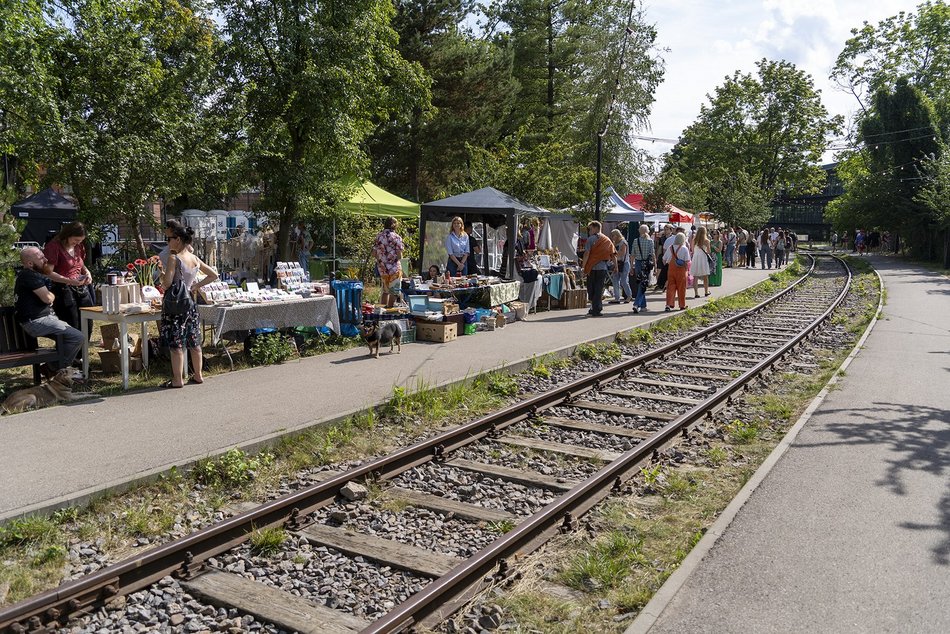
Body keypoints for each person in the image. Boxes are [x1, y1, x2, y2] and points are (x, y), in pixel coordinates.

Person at [14, 247, 86, 378]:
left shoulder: (33, 274)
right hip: (35, 322)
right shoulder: (29, 275)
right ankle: (53, 369)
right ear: (30, 263)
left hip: (42, 319)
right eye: (41, 258)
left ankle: (57, 368)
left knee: (69, 337)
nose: (46, 259)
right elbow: (47, 298)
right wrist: (51, 297)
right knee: (77, 337)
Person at [159, 225, 217, 388]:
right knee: (194, 340)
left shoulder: (173, 258)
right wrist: (195, 286)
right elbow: (214, 275)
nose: (168, 242)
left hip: (176, 304)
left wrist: (162, 277)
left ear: (178, 239)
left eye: (169, 239)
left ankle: (177, 379)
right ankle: (198, 375)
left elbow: (168, 283)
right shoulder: (194, 258)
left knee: (176, 342)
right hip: (190, 303)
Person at [43, 221, 94, 335]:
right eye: (76, 240)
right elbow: (48, 272)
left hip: (81, 289)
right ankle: (72, 353)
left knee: (88, 324)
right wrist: (69, 281)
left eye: (80, 240)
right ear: (67, 235)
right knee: (72, 325)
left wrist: (87, 272)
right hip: (63, 290)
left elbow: (80, 264)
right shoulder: (54, 247)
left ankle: (83, 352)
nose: (78, 243)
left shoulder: (79, 247)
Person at [581, 221, 616, 317]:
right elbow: (613, 255)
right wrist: (616, 266)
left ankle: (596, 308)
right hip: (602, 268)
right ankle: (595, 307)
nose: (589, 231)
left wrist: (583, 267)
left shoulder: (590, 239)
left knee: (591, 288)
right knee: (598, 288)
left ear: (596, 228)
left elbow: (586, 254)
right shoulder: (607, 240)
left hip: (592, 268)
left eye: (590, 229)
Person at [372, 217, 405, 307]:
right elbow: (399, 255)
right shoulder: (397, 237)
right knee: (394, 292)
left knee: (385, 291)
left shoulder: (378, 236)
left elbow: (374, 254)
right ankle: (389, 311)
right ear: (394, 225)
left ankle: (382, 311)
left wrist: (382, 259)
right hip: (394, 268)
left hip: (382, 269)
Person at [630, 224, 654, 313]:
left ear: (639, 231)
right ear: (647, 231)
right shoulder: (650, 241)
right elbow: (652, 254)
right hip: (646, 264)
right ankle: (636, 304)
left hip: (638, 263)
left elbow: (632, 254)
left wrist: (631, 266)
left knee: (641, 283)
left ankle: (643, 306)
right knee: (643, 284)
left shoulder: (636, 241)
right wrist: (654, 267)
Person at [663, 232, 691, 311]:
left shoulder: (670, 247)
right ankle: (682, 305)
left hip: (671, 270)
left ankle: (669, 304)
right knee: (681, 288)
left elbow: (664, 259)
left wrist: (668, 264)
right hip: (681, 270)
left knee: (670, 287)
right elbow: (687, 260)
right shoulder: (684, 248)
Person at [609, 229, 631, 304]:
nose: (612, 237)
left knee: (624, 281)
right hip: (617, 263)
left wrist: (613, 254)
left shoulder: (623, 242)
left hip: (624, 264)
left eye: (613, 235)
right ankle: (617, 298)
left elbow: (622, 253)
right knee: (615, 280)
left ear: (617, 235)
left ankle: (629, 296)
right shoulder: (615, 243)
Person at [691, 226, 712, 298]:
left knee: (695, 277)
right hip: (703, 258)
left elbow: (692, 250)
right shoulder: (706, 241)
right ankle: (706, 291)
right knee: (705, 276)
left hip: (696, 257)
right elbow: (709, 251)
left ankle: (696, 293)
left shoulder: (694, 240)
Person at [654, 225, 673, 291]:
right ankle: (659, 284)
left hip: (670, 256)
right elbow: (660, 248)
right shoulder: (662, 238)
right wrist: (657, 256)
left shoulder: (673, 238)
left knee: (668, 271)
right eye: (664, 229)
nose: (665, 231)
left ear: (671, 230)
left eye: (667, 229)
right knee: (659, 270)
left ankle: (666, 285)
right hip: (662, 255)